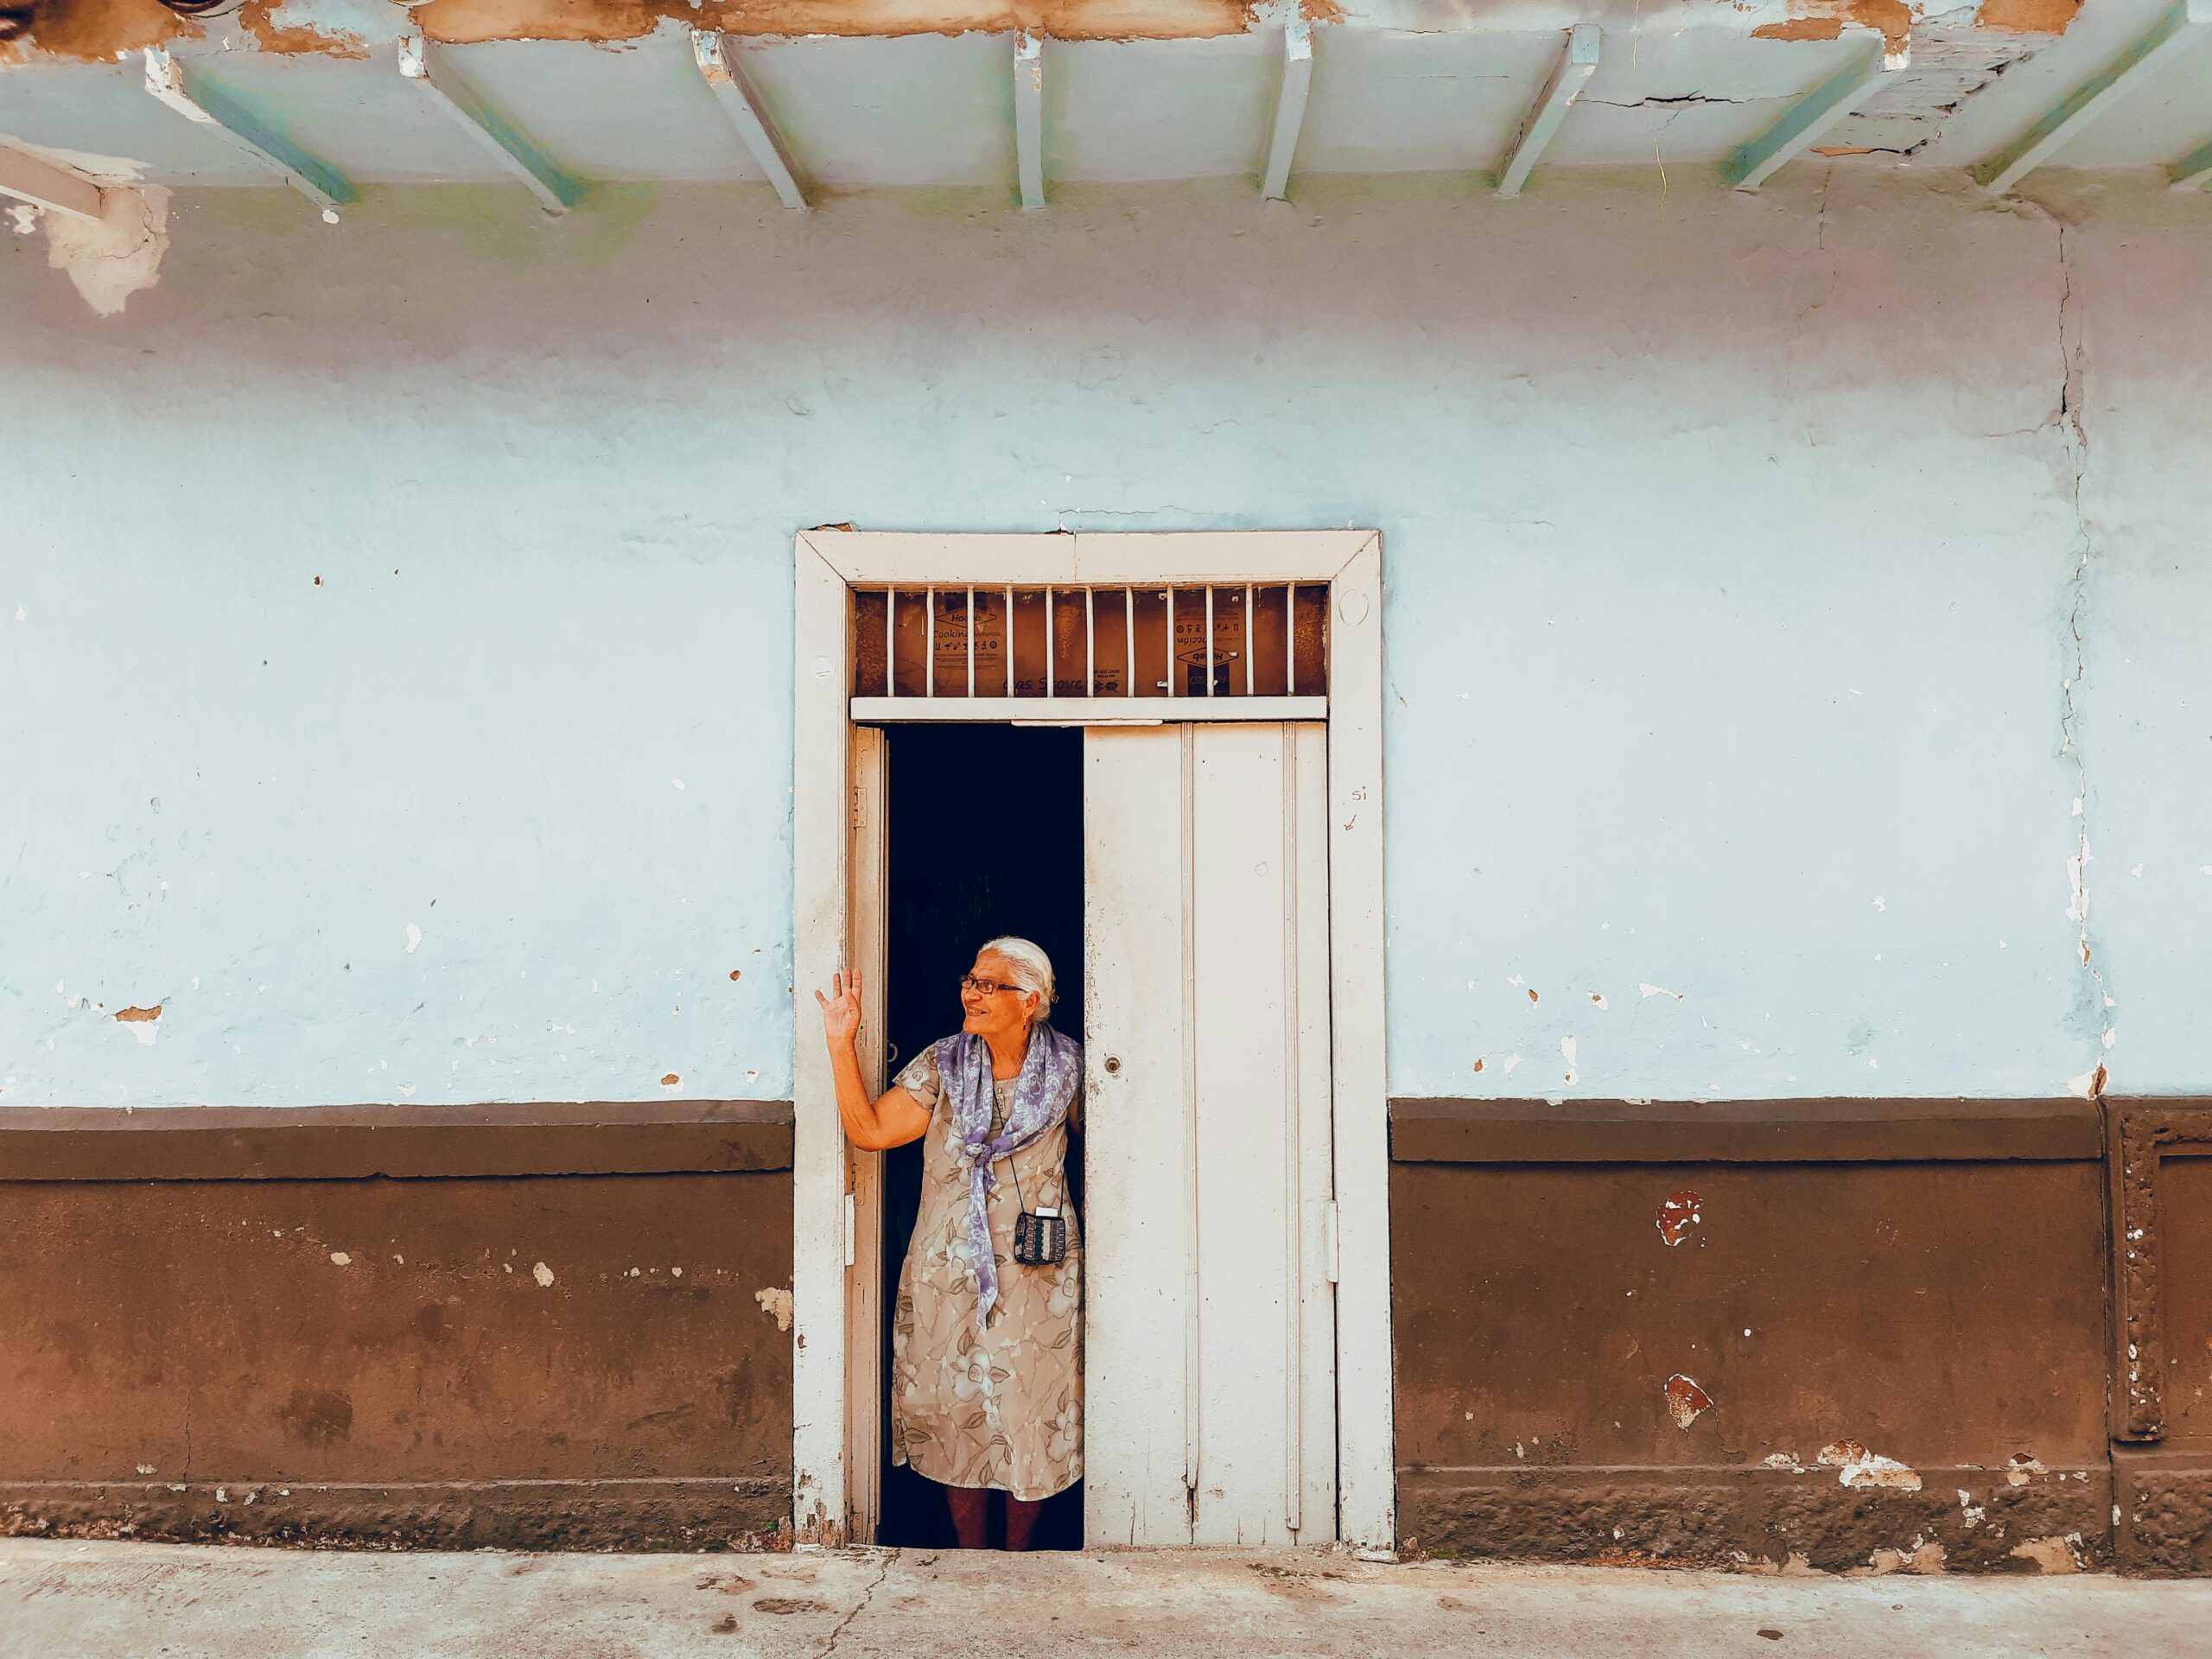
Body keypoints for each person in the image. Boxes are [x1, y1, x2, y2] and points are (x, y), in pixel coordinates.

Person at [815, 937, 1082, 1550]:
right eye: (972, 980)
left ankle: (1016, 1563)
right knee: (957, 1411)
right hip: (948, 1267)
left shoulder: (1071, 1067)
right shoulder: (945, 1063)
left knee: (1027, 1414)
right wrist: (840, 1041)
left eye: (992, 985)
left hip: (1037, 1274)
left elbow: (1109, 1160)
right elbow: (871, 1130)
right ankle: (972, 1561)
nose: (973, 992)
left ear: (1031, 1000)